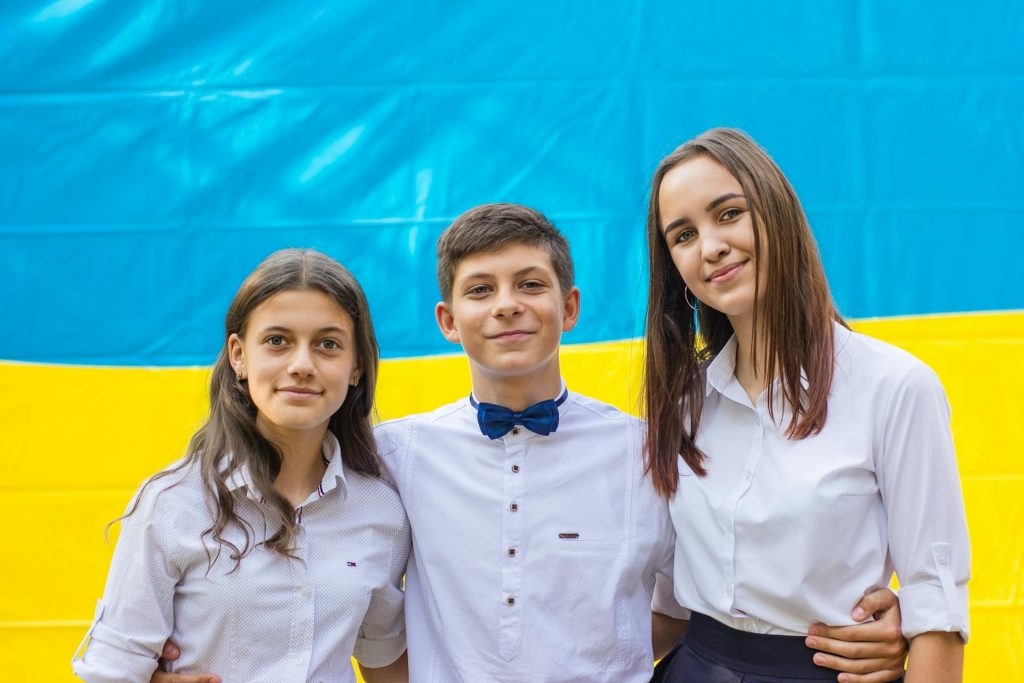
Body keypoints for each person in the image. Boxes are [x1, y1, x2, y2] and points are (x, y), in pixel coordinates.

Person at [150, 205, 908, 683]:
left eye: (531, 285)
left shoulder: (653, 450)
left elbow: (716, 584)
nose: (507, 305)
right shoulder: (392, 457)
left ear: (569, 306)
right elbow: (306, 560)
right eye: (481, 289)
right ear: (448, 319)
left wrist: (873, 618)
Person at [643, 128, 970, 682]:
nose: (711, 246)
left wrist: (905, 640)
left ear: (777, 211)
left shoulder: (895, 387)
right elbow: (668, 608)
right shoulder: (682, 403)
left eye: (728, 214)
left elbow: (934, 605)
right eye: (683, 235)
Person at [71, 249, 411, 683]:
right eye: (277, 341)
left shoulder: (381, 511)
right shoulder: (173, 503)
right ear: (238, 355)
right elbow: (111, 672)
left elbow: (383, 661)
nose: (302, 365)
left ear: (357, 367)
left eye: (328, 344)